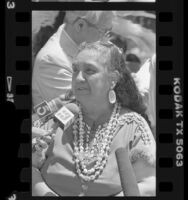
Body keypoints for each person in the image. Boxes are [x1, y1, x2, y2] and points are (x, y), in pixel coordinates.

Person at [32, 40, 156, 196]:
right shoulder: (57, 119)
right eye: (75, 70)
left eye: (89, 71)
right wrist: (35, 159)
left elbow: (150, 184)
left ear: (113, 79)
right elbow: (31, 169)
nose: (78, 78)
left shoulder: (134, 126)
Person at [32, 11, 114, 107]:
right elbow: (86, 109)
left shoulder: (86, 49)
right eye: (103, 31)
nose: (105, 39)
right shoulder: (52, 60)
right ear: (80, 25)